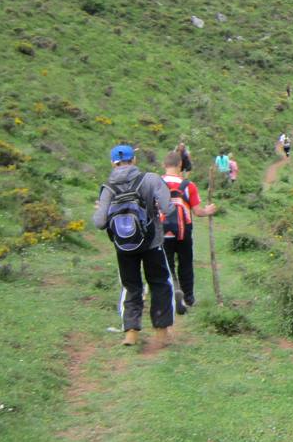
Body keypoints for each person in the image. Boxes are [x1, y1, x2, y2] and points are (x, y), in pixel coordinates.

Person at [92, 144, 174, 347]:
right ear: (134, 160)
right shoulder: (151, 179)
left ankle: (131, 333)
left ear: (113, 163)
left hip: (124, 246)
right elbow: (167, 208)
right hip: (152, 243)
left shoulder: (108, 188)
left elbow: (99, 222)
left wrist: (104, 209)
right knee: (160, 283)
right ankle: (161, 333)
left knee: (131, 286)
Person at [161, 150, 216, 315]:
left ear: (164, 165)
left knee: (166, 265)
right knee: (185, 264)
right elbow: (198, 212)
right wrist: (209, 210)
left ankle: (171, 293)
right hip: (184, 230)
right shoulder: (188, 185)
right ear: (180, 165)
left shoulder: (157, 183)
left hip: (162, 231)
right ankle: (189, 298)